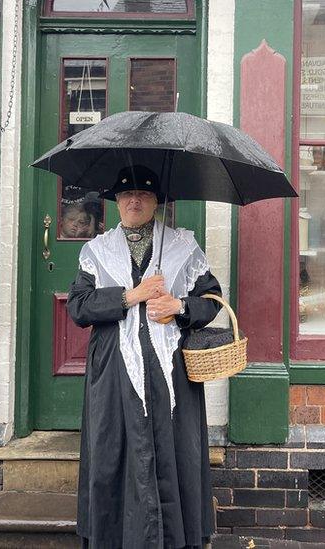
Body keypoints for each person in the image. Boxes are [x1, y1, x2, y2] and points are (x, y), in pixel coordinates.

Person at [67, 165, 222, 549]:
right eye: (126, 194)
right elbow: (79, 307)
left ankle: (172, 539)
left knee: (173, 451)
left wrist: (180, 305)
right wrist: (127, 296)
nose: (134, 200)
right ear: (116, 201)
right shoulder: (97, 251)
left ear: (157, 201)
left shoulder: (183, 246)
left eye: (144, 194)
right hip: (114, 370)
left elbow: (212, 301)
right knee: (114, 451)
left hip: (169, 371)